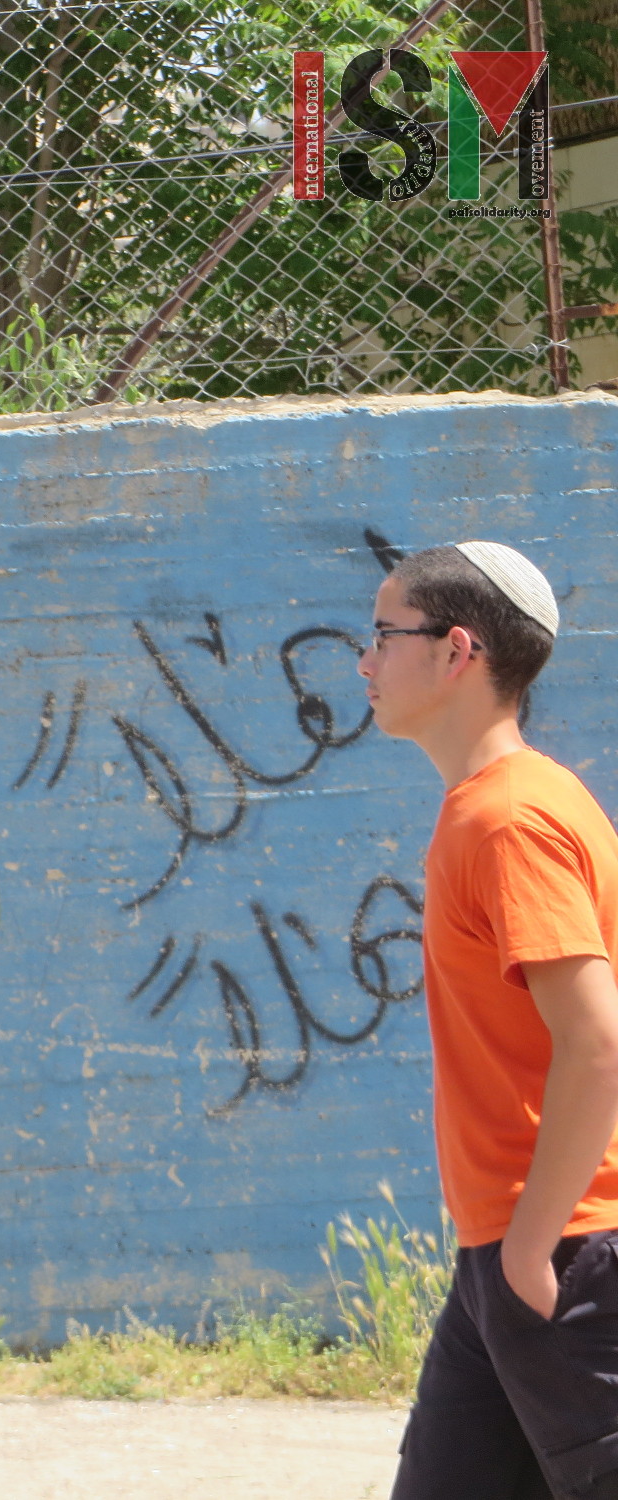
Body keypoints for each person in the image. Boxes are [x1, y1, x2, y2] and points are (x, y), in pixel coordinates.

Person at [361, 542, 618, 1500]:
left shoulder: (509, 819)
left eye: (384, 633)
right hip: (510, 1255)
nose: (365, 659)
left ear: (456, 649)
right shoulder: (495, 807)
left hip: (567, 1251)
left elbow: (597, 1044)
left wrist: (526, 1246)